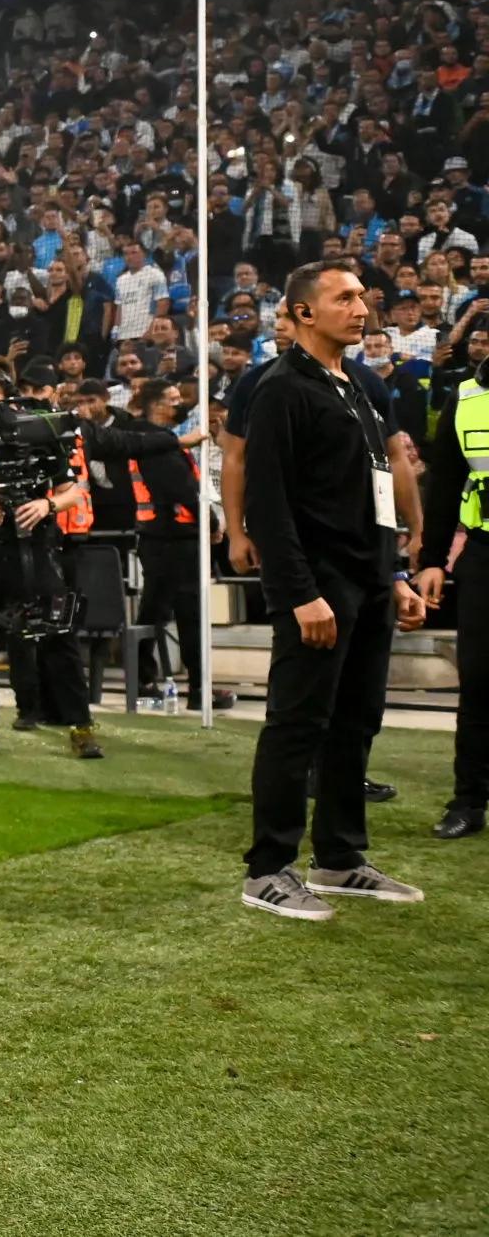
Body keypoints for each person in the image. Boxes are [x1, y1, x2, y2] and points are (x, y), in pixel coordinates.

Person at [240, 259, 428, 921]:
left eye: (361, 296)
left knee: (355, 722)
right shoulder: (281, 388)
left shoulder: (361, 386)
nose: (362, 306)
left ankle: (340, 858)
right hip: (319, 585)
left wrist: (395, 573)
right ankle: (268, 867)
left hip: (369, 578)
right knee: (297, 724)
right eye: (344, 297)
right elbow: (267, 502)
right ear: (301, 314)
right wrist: (299, 592)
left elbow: (375, 491)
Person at [0, 366, 103, 759]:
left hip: (35, 545)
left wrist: (45, 503)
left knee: (59, 634)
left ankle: (81, 727)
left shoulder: (42, 431)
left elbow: (72, 492)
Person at [122, 378, 233, 711]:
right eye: (173, 399)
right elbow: (183, 491)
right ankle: (197, 688)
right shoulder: (156, 444)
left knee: (155, 611)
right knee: (186, 614)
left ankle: (146, 678)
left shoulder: (150, 440)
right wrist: (212, 524)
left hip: (162, 538)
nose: (179, 403)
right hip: (174, 539)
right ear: (156, 405)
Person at [413, 346, 488, 839]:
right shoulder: (464, 396)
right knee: (479, 680)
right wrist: (433, 561)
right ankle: (469, 800)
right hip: (484, 551)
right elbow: (443, 486)